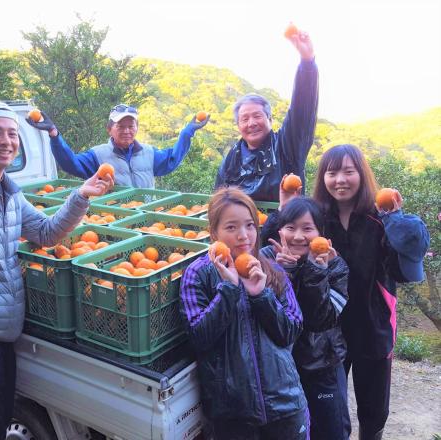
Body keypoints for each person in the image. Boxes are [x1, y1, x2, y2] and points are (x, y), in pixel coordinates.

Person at [0, 101, 113, 440]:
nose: (6, 141)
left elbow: (45, 233)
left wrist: (82, 195)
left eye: (12, 133)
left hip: (1, 327)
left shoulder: (9, 192)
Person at [313, 144, 430, 440]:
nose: (340, 179)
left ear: (361, 174)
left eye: (348, 171)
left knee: (374, 408)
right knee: (327, 407)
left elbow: (406, 264)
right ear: (323, 178)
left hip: (373, 324)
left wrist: (397, 218)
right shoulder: (316, 220)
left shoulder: (380, 219)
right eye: (332, 172)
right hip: (328, 329)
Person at [179, 187, 308, 439]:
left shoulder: (271, 270)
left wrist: (261, 296)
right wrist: (229, 290)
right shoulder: (198, 273)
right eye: (231, 227)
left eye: (250, 225)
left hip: (285, 405)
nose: (244, 236)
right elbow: (199, 337)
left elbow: (291, 331)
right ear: (213, 232)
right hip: (232, 414)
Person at [260, 197, 351, 440]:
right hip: (280, 369)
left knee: (332, 431)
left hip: (321, 365)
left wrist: (316, 271)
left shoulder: (336, 266)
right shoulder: (265, 259)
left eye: (308, 228)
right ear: (280, 230)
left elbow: (321, 320)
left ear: (321, 233)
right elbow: (267, 316)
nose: (298, 236)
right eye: (291, 227)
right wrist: (281, 274)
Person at [214, 28, 318, 202]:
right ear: (238, 126)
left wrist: (307, 63)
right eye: (244, 119)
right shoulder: (231, 159)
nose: (251, 123)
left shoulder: (286, 146)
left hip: (284, 227)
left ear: (270, 119)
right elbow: (218, 201)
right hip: (244, 229)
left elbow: (302, 111)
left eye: (257, 116)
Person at [26, 103, 209, 188]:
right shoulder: (98, 155)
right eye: (120, 126)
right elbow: (71, 163)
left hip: (149, 223)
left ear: (137, 128)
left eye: (131, 126)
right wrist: (54, 134)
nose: (127, 131)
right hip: (113, 224)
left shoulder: (148, 153)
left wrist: (187, 132)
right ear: (109, 129)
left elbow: (172, 159)